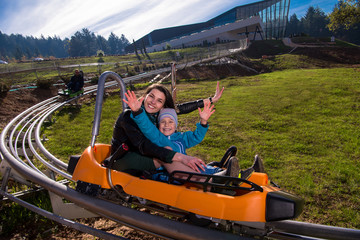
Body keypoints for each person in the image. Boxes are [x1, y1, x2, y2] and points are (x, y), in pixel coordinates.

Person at [110, 82, 234, 177]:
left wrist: (211, 100)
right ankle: (206, 180)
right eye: (151, 96)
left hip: (145, 156)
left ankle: (214, 173)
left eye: (159, 101)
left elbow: (181, 108)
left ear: (163, 106)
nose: (153, 102)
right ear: (144, 96)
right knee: (166, 154)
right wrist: (179, 157)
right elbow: (144, 145)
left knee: (169, 153)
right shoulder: (129, 116)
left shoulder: (157, 115)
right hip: (124, 159)